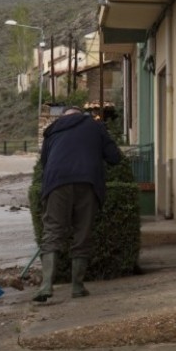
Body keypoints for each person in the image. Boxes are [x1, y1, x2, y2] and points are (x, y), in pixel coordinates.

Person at [34, 106, 122, 302]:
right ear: (81, 115)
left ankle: (46, 285)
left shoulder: (52, 130)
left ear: (63, 117)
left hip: (56, 183)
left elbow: (44, 163)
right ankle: (77, 287)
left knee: (52, 231)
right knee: (82, 232)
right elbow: (114, 158)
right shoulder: (95, 125)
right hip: (87, 181)